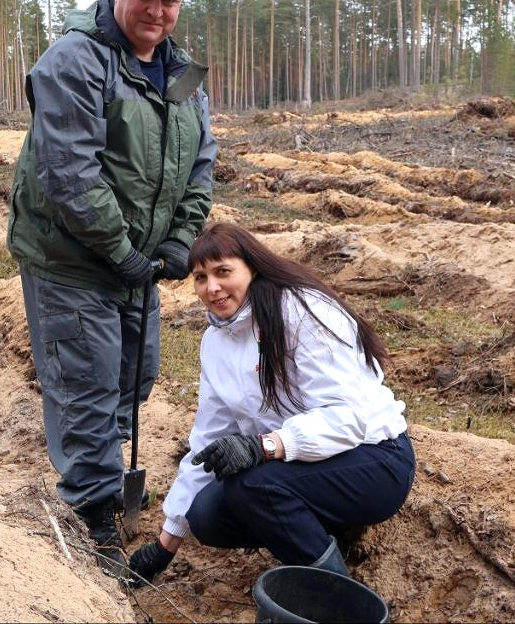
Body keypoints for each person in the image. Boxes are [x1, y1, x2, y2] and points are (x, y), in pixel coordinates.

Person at [7, 0, 215, 575]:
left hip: (136, 263)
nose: (156, 9)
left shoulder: (182, 75)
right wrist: (120, 250)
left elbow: (200, 164)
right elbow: (69, 169)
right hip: (73, 258)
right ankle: (93, 520)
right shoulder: (75, 59)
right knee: (86, 384)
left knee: (134, 378)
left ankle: (105, 484)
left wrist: (180, 240)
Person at [126, 223, 415, 585]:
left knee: (255, 485)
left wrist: (265, 446)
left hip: (375, 458)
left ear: (252, 268)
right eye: (200, 277)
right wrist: (166, 543)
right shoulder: (216, 343)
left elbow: (348, 419)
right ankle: (321, 539)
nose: (212, 287)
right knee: (207, 515)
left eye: (223, 272)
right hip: (305, 466)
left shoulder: (303, 311)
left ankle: (339, 599)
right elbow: (208, 441)